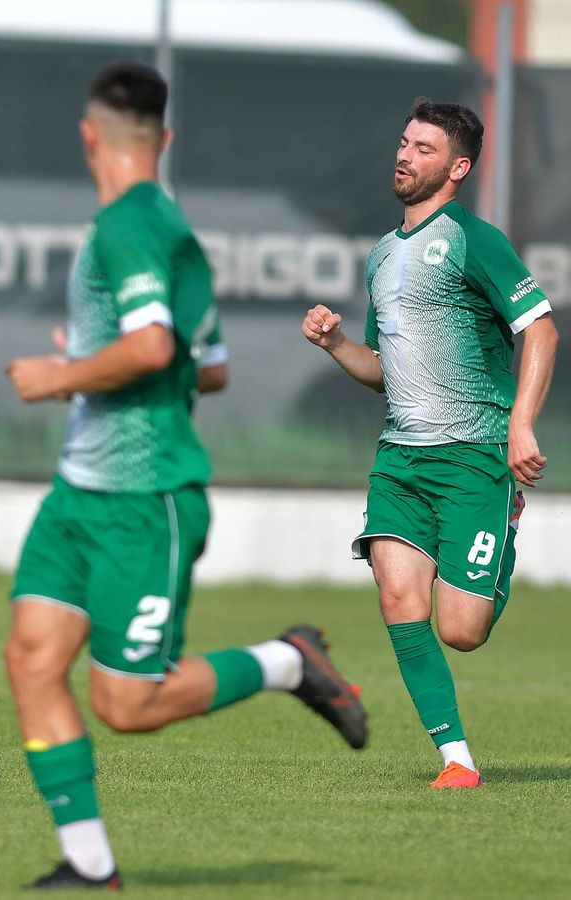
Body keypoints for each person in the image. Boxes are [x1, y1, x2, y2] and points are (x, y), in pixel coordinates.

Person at [3, 63, 367, 890]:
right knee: (31, 658)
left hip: (145, 497)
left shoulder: (130, 226)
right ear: (163, 141)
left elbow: (157, 351)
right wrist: (97, 362)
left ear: (88, 135)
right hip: (79, 492)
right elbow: (211, 369)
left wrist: (59, 374)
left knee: (127, 706)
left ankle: (286, 661)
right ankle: (90, 868)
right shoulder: (170, 229)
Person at [303, 98, 557, 790]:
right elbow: (385, 372)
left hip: (473, 456)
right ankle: (457, 761)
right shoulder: (384, 255)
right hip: (401, 459)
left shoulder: (475, 239)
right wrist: (335, 345)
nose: (404, 155)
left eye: (422, 148)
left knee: (462, 630)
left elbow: (541, 330)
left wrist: (521, 425)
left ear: (457, 167)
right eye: (404, 142)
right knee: (396, 598)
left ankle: (504, 526)